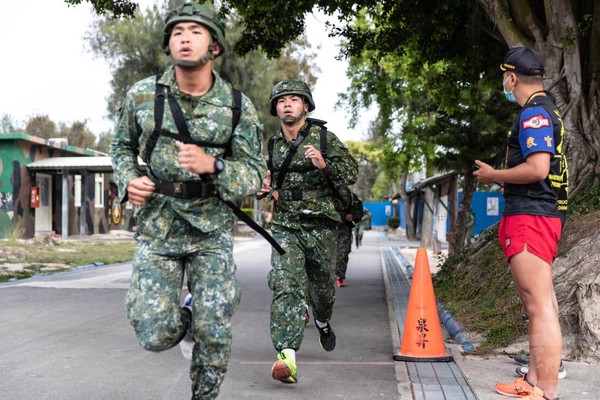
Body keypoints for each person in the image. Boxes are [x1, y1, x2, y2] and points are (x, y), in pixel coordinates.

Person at [110, 3, 266, 399]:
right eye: (177, 31)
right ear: (169, 43)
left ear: (214, 47)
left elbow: (252, 172)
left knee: (215, 331)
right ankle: (189, 316)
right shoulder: (143, 95)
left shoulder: (236, 106)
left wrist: (213, 164)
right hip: (158, 227)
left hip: (210, 231)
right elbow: (120, 146)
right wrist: (129, 179)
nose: (184, 37)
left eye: (196, 31)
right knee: (153, 334)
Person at [474, 46, 568, 400]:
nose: (504, 85)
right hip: (540, 214)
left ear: (512, 78)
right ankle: (533, 380)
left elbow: (538, 169)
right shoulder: (547, 110)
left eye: (504, 79)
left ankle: (544, 390)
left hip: (530, 216)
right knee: (544, 303)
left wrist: (493, 174)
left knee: (537, 306)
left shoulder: (534, 114)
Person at [256, 80, 358, 384]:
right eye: (281, 100)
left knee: (323, 290)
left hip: (322, 227)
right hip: (286, 226)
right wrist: (263, 189)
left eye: (294, 99)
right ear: (275, 108)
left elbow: (351, 172)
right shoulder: (273, 144)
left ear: (306, 106)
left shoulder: (325, 139)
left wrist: (324, 164)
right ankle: (287, 356)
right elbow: (268, 181)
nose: (287, 104)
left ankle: (323, 320)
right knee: (286, 285)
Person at [335, 190, 363, 287]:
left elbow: (359, 211)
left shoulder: (350, 196)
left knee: (343, 253)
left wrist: (353, 216)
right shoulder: (324, 192)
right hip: (326, 228)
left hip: (344, 228)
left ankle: (339, 277)